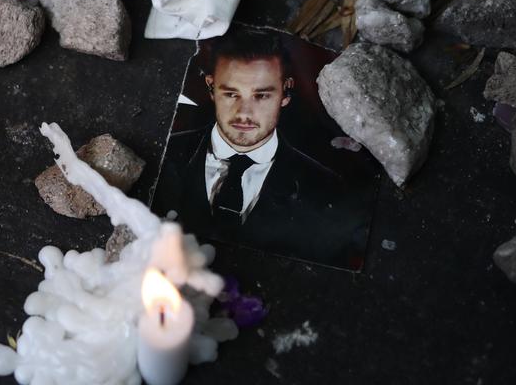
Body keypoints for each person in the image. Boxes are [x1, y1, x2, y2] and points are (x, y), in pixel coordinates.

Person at [152, 29, 376, 269]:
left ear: (285, 92)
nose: (244, 113)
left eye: (261, 96)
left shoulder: (325, 187)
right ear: (210, 86)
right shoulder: (163, 155)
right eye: (231, 94)